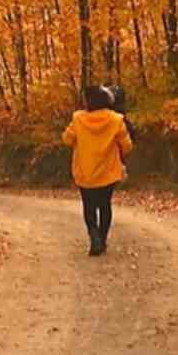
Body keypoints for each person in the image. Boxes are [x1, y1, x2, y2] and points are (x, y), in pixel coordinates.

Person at [62, 85, 133, 256]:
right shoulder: (115, 120)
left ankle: (94, 238)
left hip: (85, 172)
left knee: (89, 206)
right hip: (108, 172)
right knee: (105, 205)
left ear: (89, 100)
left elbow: (67, 139)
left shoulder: (78, 119)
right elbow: (127, 146)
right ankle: (102, 238)